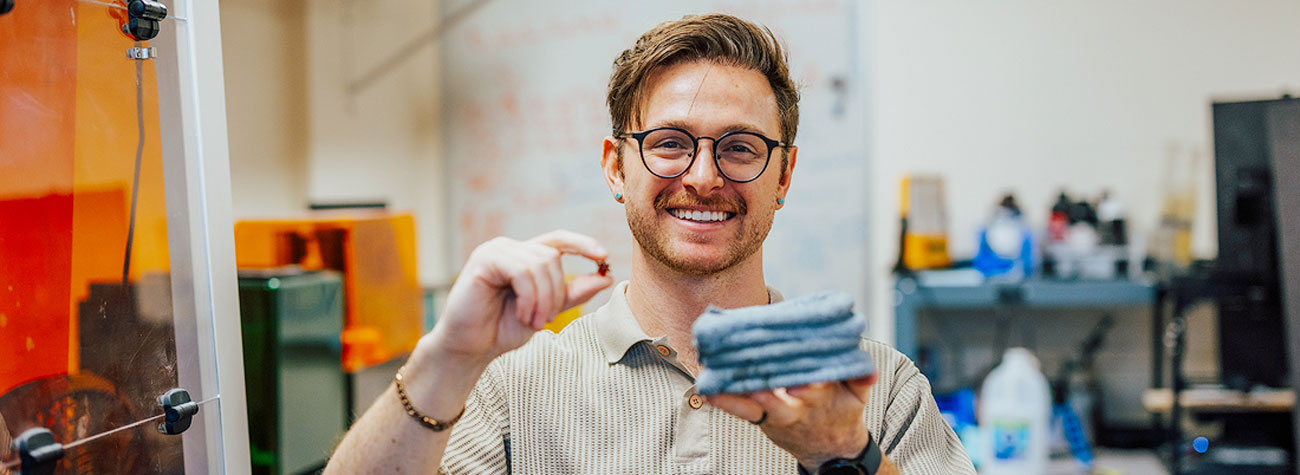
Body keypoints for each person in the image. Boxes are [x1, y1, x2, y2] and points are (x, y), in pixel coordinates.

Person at [326, 14, 975, 475]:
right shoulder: (513, 385)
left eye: (740, 147)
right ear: (615, 166)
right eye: (669, 142)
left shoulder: (874, 383)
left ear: (785, 174)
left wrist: (842, 448)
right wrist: (446, 359)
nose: (702, 175)